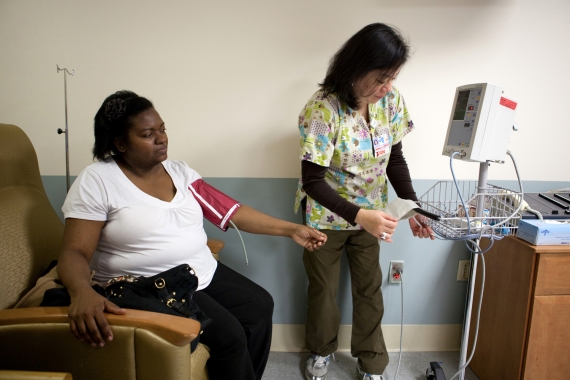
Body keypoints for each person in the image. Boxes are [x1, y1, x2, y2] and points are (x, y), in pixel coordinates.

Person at [57, 90, 327, 380]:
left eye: (162, 129)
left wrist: (291, 229)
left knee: (260, 305)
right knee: (231, 335)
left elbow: (231, 211)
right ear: (120, 143)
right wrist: (81, 291)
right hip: (150, 284)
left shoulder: (179, 172)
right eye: (148, 134)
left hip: (200, 271)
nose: (161, 138)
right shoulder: (97, 180)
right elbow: (75, 251)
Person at [294, 23, 434, 380]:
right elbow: (313, 181)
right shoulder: (323, 110)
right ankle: (321, 352)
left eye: (392, 78)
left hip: (374, 214)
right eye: (381, 78)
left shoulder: (390, 100)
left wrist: (412, 207)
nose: (387, 87)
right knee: (323, 290)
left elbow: (396, 161)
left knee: (370, 289)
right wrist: (360, 216)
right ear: (355, 68)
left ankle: (372, 363)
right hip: (326, 215)